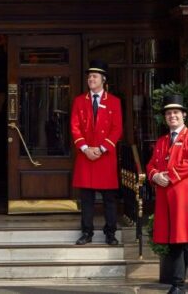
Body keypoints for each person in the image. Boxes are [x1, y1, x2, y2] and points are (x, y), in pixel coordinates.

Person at [146, 94, 188, 294]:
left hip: (183, 197)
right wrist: (155, 176)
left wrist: (168, 176)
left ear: (184, 115)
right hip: (165, 197)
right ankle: (177, 285)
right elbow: (151, 165)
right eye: (169, 113)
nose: (172, 116)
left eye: (176, 113)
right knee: (174, 242)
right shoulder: (162, 141)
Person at [70, 60, 123, 245]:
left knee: (109, 198)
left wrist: (101, 149)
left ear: (103, 79)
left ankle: (110, 233)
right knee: (86, 199)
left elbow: (117, 129)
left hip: (105, 156)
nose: (90, 79)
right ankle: (87, 232)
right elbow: (75, 127)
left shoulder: (114, 102)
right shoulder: (79, 101)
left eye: (94, 76)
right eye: (89, 76)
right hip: (86, 156)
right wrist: (85, 148)